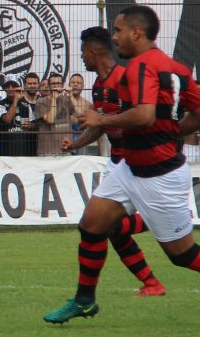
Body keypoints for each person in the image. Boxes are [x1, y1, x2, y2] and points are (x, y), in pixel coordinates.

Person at [43, 5, 200, 324]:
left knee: (184, 255)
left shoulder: (139, 68)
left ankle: (135, 284)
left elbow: (144, 114)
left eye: (118, 30)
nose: (115, 37)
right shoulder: (176, 68)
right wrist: (169, 133)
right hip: (130, 168)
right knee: (92, 225)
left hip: (159, 175)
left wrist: (102, 117)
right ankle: (84, 301)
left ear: (136, 33)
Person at [58, 26, 167, 297]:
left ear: (95, 52)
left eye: (83, 52)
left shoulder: (125, 80)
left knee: (105, 226)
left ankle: (159, 220)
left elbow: (141, 118)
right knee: (104, 227)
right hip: (117, 162)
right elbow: (99, 125)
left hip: (137, 162)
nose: (81, 58)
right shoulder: (99, 86)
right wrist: (77, 143)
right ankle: (151, 283)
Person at [34, 73, 76, 156]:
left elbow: (78, 113)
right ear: (49, 86)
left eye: (58, 84)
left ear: (62, 85)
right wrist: (54, 98)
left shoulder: (66, 99)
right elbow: (50, 120)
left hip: (65, 148)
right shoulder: (41, 102)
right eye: (53, 84)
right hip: (47, 150)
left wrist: (71, 96)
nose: (56, 86)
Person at [0, 76, 33, 156]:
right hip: (7, 151)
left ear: (18, 87)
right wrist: (16, 100)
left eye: (13, 86)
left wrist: (30, 125)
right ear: (4, 88)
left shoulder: (26, 104)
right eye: (7, 86)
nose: (10, 88)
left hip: (25, 151)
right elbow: (8, 119)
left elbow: (33, 125)